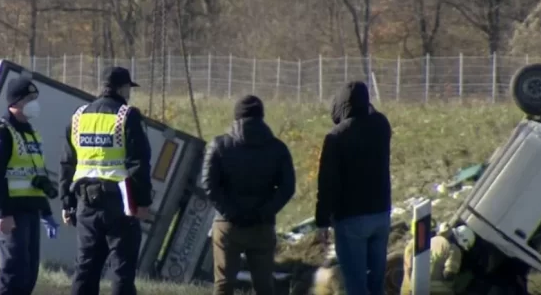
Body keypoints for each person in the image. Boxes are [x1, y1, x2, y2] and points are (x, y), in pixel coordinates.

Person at [59, 66, 152, 295]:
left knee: (86, 267)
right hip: (119, 203)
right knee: (121, 269)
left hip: (85, 203)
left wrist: (66, 202)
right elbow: (138, 162)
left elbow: (67, 163)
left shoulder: (79, 116)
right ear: (122, 88)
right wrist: (142, 202)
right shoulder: (126, 116)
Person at [201, 95, 296, 295]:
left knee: (224, 283)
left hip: (228, 226)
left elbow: (209, 184)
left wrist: (230, 212)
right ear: (262, 117)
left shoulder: (219, 145)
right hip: (262, 226)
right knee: (264, 285)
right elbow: (288, 187)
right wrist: (265, 212)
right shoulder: (278, 148)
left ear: (236, 117)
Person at [0, 77, 60, 295]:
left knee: (29, 272)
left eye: (35, 98)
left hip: (31, 211)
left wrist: (46, 211)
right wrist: (2, 213)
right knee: (13, 270)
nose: (34, 103)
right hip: (11, 212)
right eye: (29, 98)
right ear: (15, 101)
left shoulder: (31, 132)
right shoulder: (0, 132)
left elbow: (35, 176)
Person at [314, 81, 392, 295]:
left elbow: (327, 182)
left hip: (351, 218)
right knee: (376, 283)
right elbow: (373, 113)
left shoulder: (335, 137)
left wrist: (322, 220)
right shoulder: (381, 126)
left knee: (356, 285)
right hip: (381, 214)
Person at [400, 224, 476, 295]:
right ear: (464, 240)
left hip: (411, 285)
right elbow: (448, 275)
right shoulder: (454, 249)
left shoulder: (433, 239)